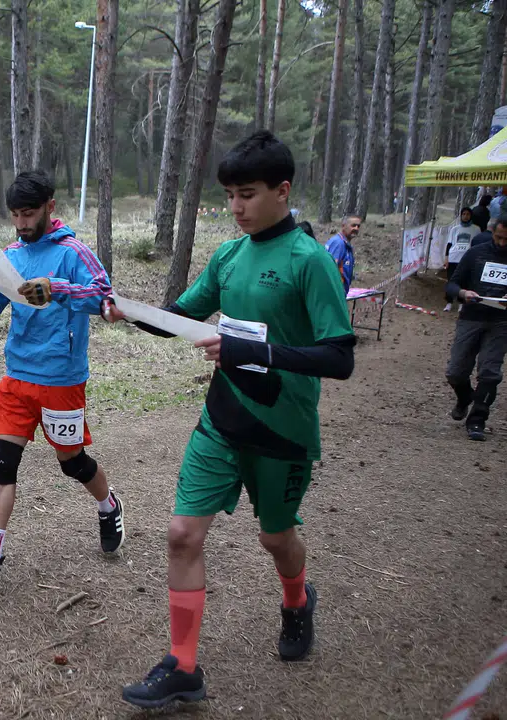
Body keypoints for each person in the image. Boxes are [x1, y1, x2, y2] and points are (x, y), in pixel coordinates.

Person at [106, 132, 355, 708]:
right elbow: (181, 317)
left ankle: (297, 600)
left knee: (276, 538)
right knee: (181, 534)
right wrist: (129, 312)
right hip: (220, 420)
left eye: (248, 194)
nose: (237, 207)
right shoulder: (228, 256)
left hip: (282, 430)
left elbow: (339, 357)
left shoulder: (310, 261)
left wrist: (256, 352)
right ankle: (183, 666)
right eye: (230, 196)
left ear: (282, 191)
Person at [0, 170, 123, 580]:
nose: (21, 223)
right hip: (17, 374)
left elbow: (105, 297)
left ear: (49, 207)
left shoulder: (73, 252)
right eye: (15, 215)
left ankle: (108, 505)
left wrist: (57, 288)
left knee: (72, 463)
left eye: (28, 214)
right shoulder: (10, 255)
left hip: (61, 378)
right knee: (2, 460)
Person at [445, 213, 507, 441]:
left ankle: (477, 420)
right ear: (493, 233)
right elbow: (452, 284)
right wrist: (463, 293)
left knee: (489, 372)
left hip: (502, 321)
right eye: (499, 237)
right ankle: (465, 396)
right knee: (455, 372)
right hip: (471, 317)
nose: (503, 243)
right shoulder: (475, 253)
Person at [444, 208, 477, 312]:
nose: (466, 216)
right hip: (453, 257)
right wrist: (446, 258)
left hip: (466, 259)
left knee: (464, 281)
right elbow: (449, 244)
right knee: (451, 280)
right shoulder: (454, 229)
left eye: (468, 214)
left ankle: (461, 302)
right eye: (464, 214)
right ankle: (449, 302)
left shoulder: (476, 229)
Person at [324, 215, 360, 293]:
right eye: (353, 225)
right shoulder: (338, 243)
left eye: (358, 226)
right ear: (343, 226)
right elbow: (329, 270)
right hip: (334, 292)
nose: (356, 228)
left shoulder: (344, 244)